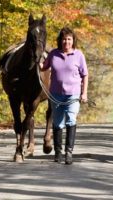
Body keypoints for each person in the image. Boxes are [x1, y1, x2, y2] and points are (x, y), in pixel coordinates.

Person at [40, 27, 88, 165]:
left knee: (71, 120)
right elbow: (44, 67)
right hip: (56, 94)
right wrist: (38, 62)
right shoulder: (54, 54)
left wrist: (84, 93)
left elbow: (85, 75)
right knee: (58, 123)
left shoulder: (79, 55)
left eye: (69, 39)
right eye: (64, 39)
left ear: (73, 41)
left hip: (73, 94)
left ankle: (69, 153)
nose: (66, 42)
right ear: (60, 40)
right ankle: (58, 153)